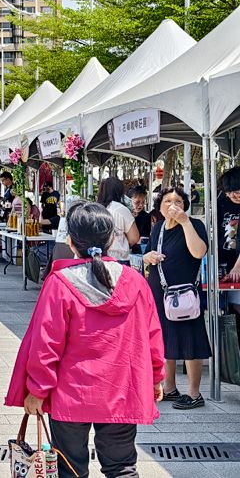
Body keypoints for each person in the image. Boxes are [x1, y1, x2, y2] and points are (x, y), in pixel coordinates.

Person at [6, 201, 164, 478]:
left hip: (71, 392)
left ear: (70, 240)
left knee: (71, 470)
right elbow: (152, 336)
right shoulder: (135, 281)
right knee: (123, 469)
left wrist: (38, 388)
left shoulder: (60, 283)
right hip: (122, 390)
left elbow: (46, 344)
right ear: (113, 238)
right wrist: (156, 377)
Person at [144, 187, 210, 410]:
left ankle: (194, 393)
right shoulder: (158, 228)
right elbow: (148, 253)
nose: (173, 205)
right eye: (167, 201)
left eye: (178, 201)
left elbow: (199, 252)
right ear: (159, 206)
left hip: (184, 294)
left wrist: (185, 222)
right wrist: (148, 257)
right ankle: (169, 387)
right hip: (160, 293)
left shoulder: (194, 225)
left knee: (190, 339)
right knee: (165, 339)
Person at [96, 177, 140, 264]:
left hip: (98, 259)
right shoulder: (121, 209)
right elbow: (134, 238)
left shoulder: (95, 209)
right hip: (119, 260)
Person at [218, 167, 240, 317]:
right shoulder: (221, 203)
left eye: (237, 191)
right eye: (230, 192)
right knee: (230, 307)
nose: (234, 196)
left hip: (237, 264)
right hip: (226, 262)